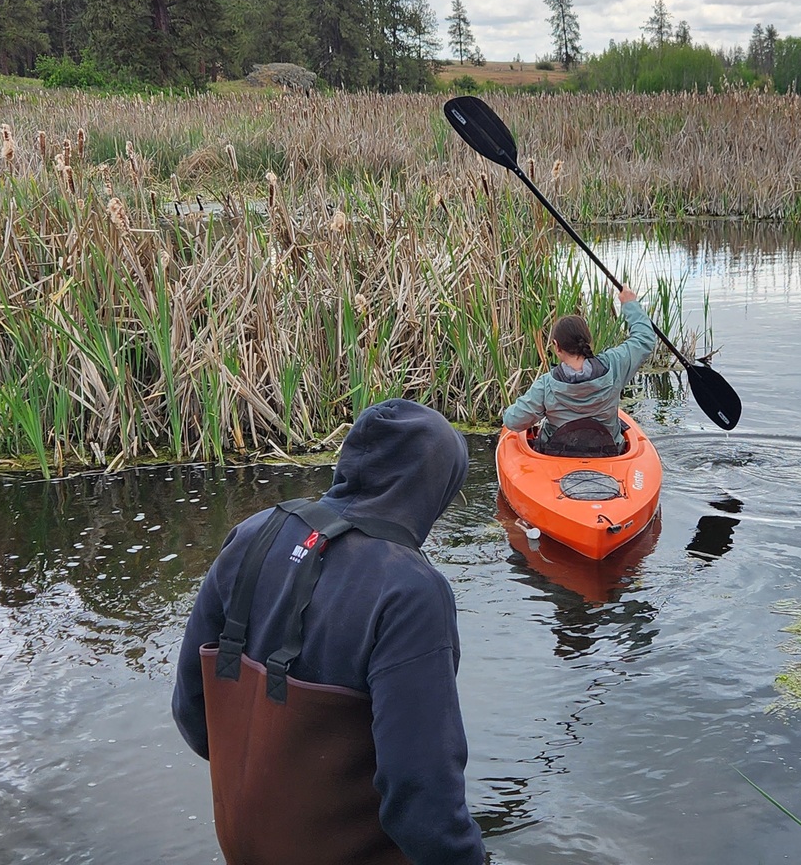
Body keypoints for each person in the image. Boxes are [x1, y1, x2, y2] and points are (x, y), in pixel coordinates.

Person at [171, 398, 486, 865]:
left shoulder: (253, 532)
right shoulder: (412, 591)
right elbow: (422, 797)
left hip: (243, 846)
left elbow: (191, 711)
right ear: (432, 488)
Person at [503, 285, 657, 451]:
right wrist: (630, 304)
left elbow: (513, 421)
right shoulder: (614, 365)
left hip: (558, 455)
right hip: (608, 453)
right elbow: (644, 339)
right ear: (589, 341)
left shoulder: (546, 385)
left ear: (556, 346)